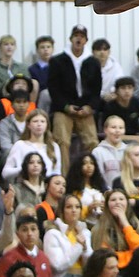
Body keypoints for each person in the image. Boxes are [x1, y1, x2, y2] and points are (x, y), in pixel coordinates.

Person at [48, 24, 99, 171]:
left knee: (92, 141)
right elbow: (53, 88)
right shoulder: (57, 61)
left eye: (82, 36)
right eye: (76, 36)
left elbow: (97, 89)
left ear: (86, 40)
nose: (79, 39)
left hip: (85, 109)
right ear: (71, 38)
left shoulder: (93, 62)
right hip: (63, 109)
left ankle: (91, 175)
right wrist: (65, 106)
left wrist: (90, 107)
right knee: (61, 141)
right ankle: (63, 177)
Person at [42, 193, 91, 277]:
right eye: (69, 207)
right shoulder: (53, 233)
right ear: (62, 210)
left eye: (77, 207)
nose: (74, 210)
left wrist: (84, 248)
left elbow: (90, 261)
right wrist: (79, 246)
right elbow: (57, 265)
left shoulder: (85, 232)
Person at [88, 188, 139, 268]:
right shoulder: (98, 230)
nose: (118, 202)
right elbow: (105, 258)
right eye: (113, 200)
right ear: (107, 205)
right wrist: (132, 254)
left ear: (127, 203)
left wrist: (124, 222)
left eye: (121, 199)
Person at [3, 109, 63, 182]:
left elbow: (57, 172)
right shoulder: (20, 145)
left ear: (47, 125)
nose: (39, 124)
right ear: (28, 125)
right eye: (35, 121)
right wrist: (23, 169)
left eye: (42, 121)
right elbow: (5, 173)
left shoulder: (54, 146)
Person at [0, 35, 31, 107]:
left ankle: (30, 109)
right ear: (0, 47)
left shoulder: (23, 67)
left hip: (21, 97)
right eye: (6, 44)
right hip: (0, 99)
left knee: (34, 83)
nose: (9, 47)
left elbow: (28, 85)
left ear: (15, 47)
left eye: (12, 44)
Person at [92, 114, 128, 189]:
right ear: (105, 130)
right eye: (113, 127)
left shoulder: (129, 150)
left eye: (121, 128)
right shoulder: (97, 152)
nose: (117, 131)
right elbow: (98, 177)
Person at [28, 35, 54, 110]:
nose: (46, 50)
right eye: (42, 47)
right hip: (41, 98)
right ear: (37, 50)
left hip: (57, 97)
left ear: (52, 49)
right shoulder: (32, 69)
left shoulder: (59, 66)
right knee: (45, 94)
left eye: (48, 47)